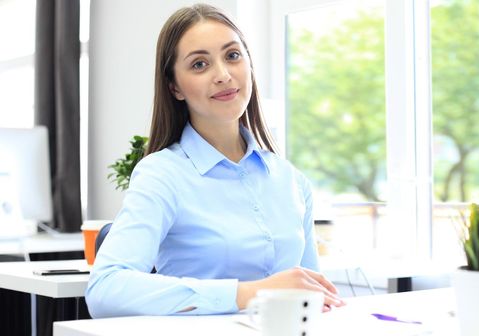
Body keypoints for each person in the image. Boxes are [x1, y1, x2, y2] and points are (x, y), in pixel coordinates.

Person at [85, 3, 345, 317]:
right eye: (199, 64)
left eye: (232, 56)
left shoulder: (289, 179)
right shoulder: (162, 174)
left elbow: (310, 291)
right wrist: (250, 292)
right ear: (175, 87)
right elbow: (104, 291)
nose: (222, 75)